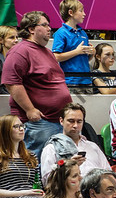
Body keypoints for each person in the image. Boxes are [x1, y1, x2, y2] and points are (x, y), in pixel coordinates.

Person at [1, 11, 72, 157]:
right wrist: (30, 110)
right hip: (38, 122)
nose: (49, 28)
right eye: (44, 25)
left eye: (49, 25)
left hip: (56, 121)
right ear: (31, 29)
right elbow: (12, 83)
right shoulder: (20, 51)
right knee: (35, 164)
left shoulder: (46, 51)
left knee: (54, 165)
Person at [0, 115, 43, 198]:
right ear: (5, 131)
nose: (21, 129)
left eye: (22, 126)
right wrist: (23, 193)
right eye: (16, 126)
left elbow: (38, 184)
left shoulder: (31, 156)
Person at [51, 0, 93, 90]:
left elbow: (85, 58)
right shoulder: (61, 33)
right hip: (70, 81)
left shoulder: (83, 33)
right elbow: (56, 57)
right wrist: (77, 51)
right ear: (71, 13)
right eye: (81, 11)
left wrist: (91, 54)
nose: (84, 14)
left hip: (86, 80)